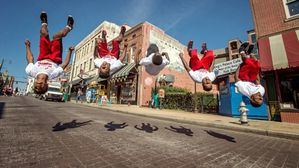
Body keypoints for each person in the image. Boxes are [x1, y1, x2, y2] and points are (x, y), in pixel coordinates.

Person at [25, 11, 74, 95]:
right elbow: (65, 64)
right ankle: (69, 26)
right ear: (46, 85)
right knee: (56, 36)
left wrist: (27, 46)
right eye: (41, 88)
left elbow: (30, 59)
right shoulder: (53, 75)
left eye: (36, 88)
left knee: (44, 32)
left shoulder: (30, 71)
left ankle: (44, 22)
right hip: (55, 57)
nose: (38, 86)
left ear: (34, 84)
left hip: (43, 55)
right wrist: (70, 51)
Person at [235, 42, 265, 107]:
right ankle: (250, 53)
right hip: (251, 78)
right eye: (261, 99)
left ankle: (241, 50)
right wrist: (256, 70)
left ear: (251, 99)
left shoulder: (244, 91)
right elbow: (257, 80)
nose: (261, 97)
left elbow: (236, 78)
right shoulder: (262, 91)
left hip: (243, 77)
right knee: (257, 65)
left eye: (258, 99)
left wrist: (240, 65)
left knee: (248, 63)